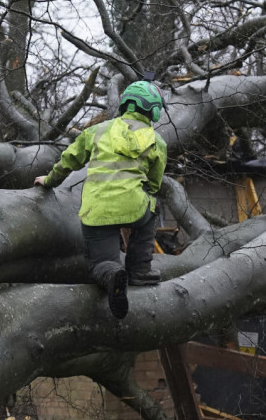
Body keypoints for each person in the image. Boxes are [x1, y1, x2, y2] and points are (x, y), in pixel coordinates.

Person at [35, 80, 167, 319]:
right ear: (153, 109)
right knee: (152, 206)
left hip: (97, 210)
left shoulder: (97, 131)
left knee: (101, 263)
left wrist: (50, 180)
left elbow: (69, 160)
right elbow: (155, 184)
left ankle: (112, 274)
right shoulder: (157, 141)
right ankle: (139, 269)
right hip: (135, 207)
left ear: (126, 103)